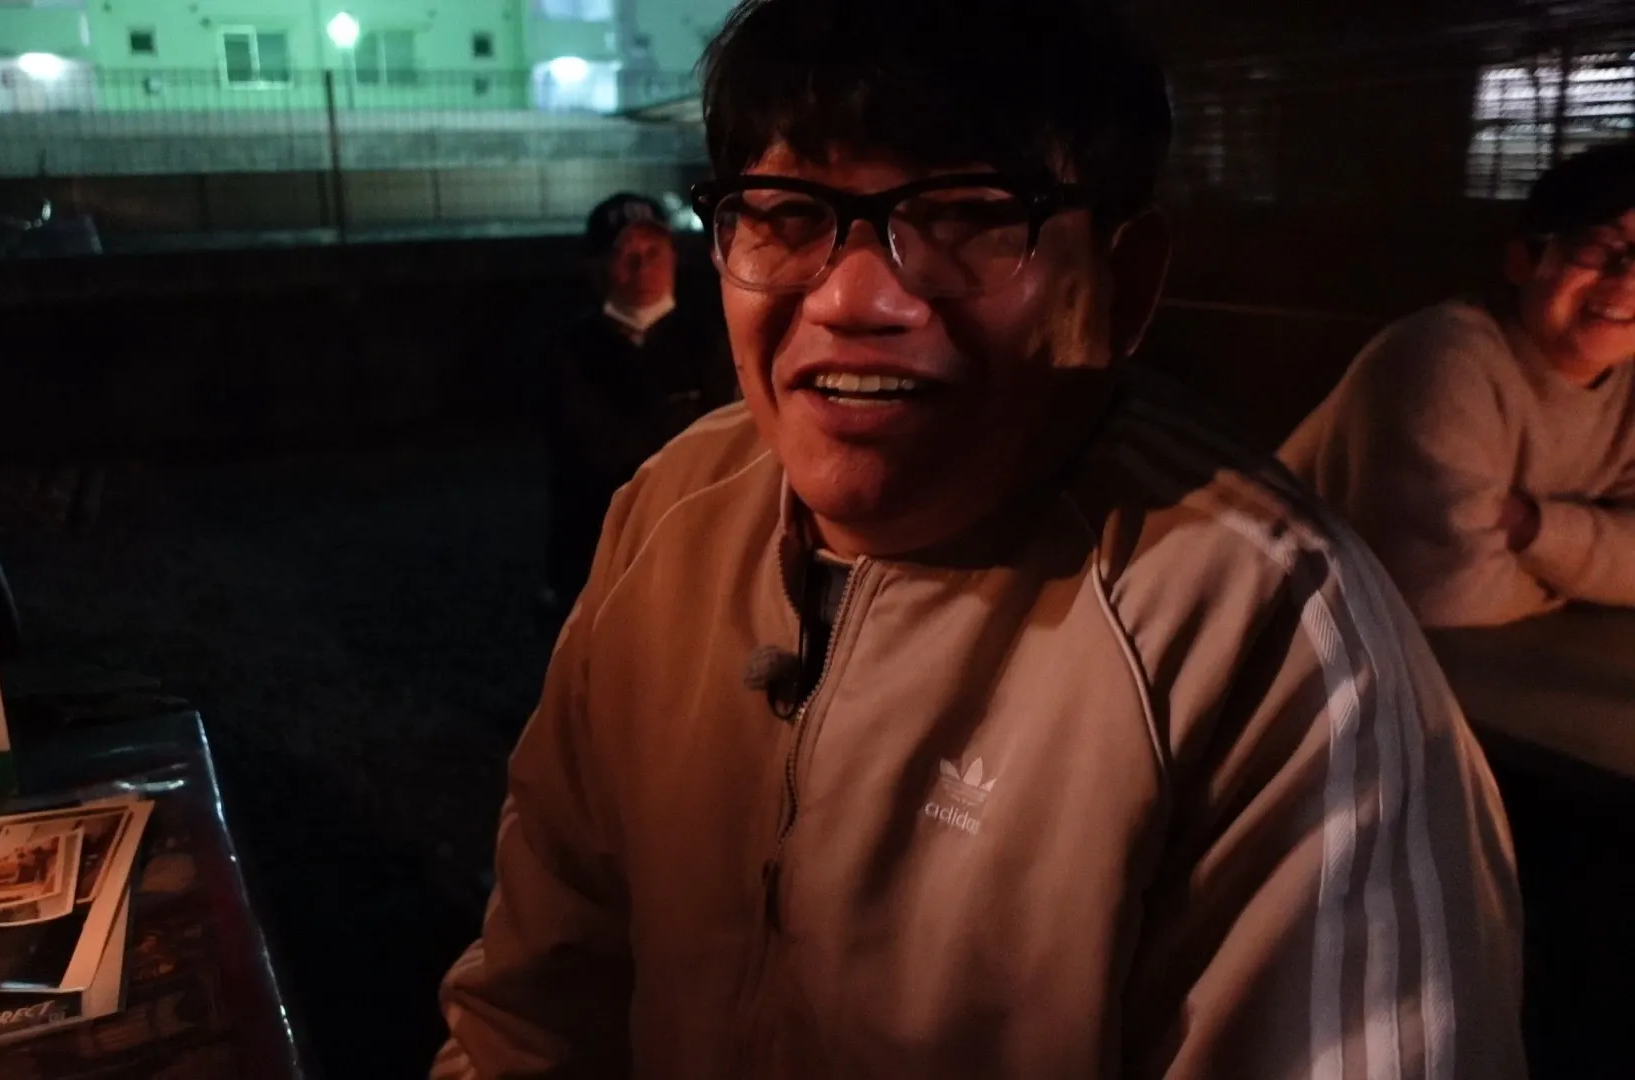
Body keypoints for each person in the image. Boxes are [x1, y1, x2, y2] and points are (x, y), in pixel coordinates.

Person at [438, 1, 1526, 1076]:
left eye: (964, 216)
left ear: (1125, 283)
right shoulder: (671, 513)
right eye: (786, 213)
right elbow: (534, 1003)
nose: (854, 299)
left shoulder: (1262, 637)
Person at [1281, 142, 1635, 629]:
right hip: (1294, 626)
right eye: (1598, 247)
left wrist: (1530, 527)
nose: (1628, 278)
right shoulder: (1440, 357)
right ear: (1522, 260)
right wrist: (1587, 582)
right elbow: (1439, 594)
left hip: (1463, 650)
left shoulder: (1626, 378)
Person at [539, 193, 736, 612]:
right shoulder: (570, 351)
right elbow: (593, 455)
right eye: (624, 254)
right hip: (600, 560)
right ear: (596, 267)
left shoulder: (709, 339)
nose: (642, 267)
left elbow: (728, 447)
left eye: (654, 252)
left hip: (696, 552)